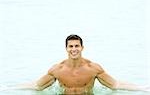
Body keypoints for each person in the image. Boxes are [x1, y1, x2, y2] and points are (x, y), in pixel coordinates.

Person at [1, 34, 150, 94]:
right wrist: (8, 88)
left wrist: (143, 88)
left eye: (76, 46)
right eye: (71, 46)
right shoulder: (57, 69)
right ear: (66, 48)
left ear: (82, 48)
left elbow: (115, 85)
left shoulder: (93, 68)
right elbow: (37, 86)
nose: (74, 49)